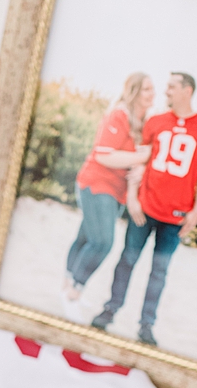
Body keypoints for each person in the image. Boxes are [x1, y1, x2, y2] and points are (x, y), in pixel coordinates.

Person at [91, 71, 197, 347]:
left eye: (172, 87)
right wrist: (134, 198)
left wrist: (196, 212)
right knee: (128, 259)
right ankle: (110, 309)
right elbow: (140, 162)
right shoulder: (156, 122)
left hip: (175, 217)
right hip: (145, 208)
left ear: (187, 90)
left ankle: (146, 324)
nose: (166, 92)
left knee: (159, 270)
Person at [63, 72, 153, 304]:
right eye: (146, 89)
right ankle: (75, 289)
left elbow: (138, 161)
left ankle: (67, 281)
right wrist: (139, 159)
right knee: (103, 242)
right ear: (133, 91)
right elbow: (104, 155)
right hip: (96, 183)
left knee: (87, 236)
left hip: (117, 193)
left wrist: (141, 165)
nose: (152, 93)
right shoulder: (118, 115)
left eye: (152, 89)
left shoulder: (142, 123)